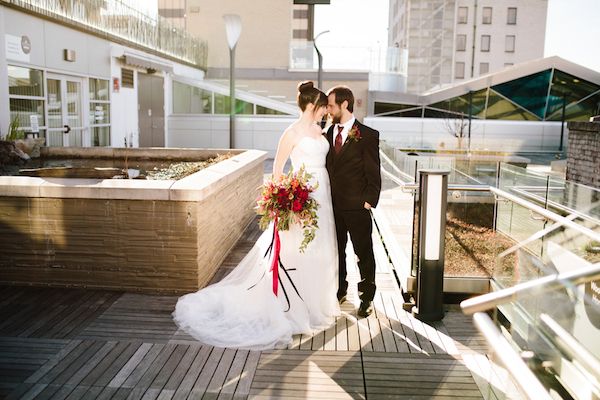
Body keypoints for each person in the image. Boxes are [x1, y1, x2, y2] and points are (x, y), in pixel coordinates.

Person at [173, 81, 340, 350]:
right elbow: (277, 168)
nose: (325, 112)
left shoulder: (319, 130)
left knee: (319, 248)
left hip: (323, 196)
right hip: (302, 197)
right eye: (322, 107)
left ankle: (314, 303)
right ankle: (291, 306)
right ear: (312, 105)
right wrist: (285, 199)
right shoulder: (291, 132)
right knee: (296, 249)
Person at [325, 85, 382, 318]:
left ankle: (366, 297)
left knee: (363, 254)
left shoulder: (368, 135)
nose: (328, 110)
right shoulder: (326, 134)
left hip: (358, 207)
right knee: (336, 251)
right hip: (332, 207)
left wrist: (368, 201)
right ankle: (340, 290)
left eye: (330, 105)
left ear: (344, 105)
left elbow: (374, 172)